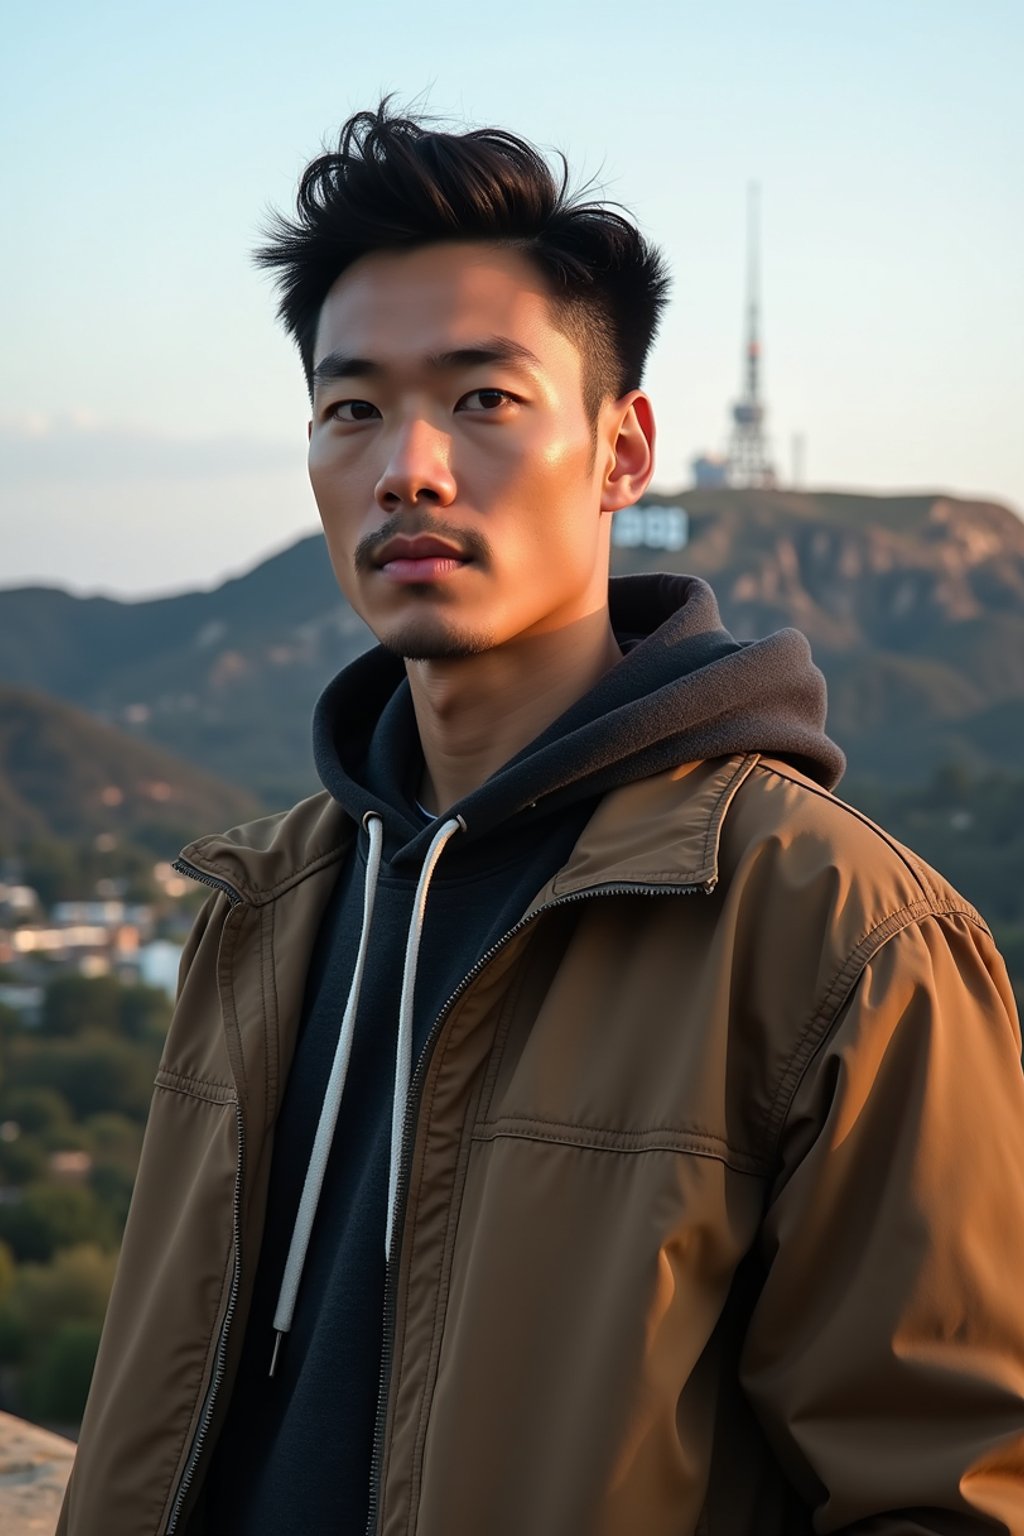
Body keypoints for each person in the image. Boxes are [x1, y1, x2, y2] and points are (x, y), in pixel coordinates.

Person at [58, 103, 1024, 1536]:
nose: (410, 468)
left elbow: (947, 1496)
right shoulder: (260, 909)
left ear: (623, 455)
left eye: (484, 399)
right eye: (352, 408)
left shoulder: (837, 937)